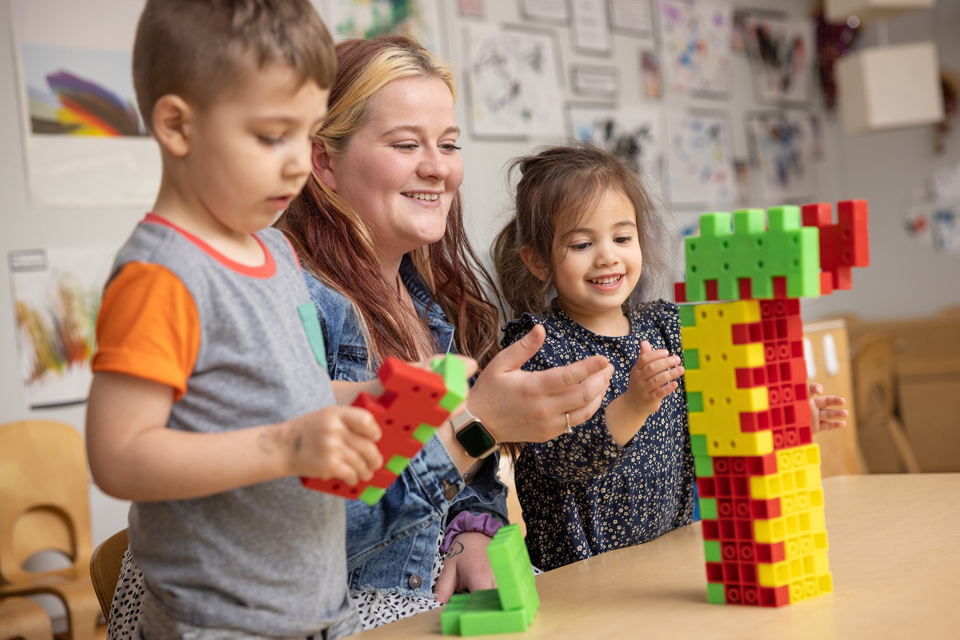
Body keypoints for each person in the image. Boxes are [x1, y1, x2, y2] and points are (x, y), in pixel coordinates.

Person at [104, 36, 615, 636]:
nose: (438, 167)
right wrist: (478, 426)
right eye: (406, 144)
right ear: (324, 162)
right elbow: (304, 531)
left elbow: (463, 482)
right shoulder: (277, 295)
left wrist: (472, 532)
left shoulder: (428, 310)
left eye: (448, 144)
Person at [85, 1, 389, 638]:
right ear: (177, 125)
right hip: (217, 624)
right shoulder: (161, 275)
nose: (299, 163)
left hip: (318, 610)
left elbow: (281, 394)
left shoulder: (276, 252)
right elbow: (118, 456)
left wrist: (367, 398)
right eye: (271, 135)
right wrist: (287, 447)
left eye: (307, 136)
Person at [492, 144, 849, 572]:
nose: (608, 256)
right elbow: (562, 459)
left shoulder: (664, 326)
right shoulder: (539, 344)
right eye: (583, 244)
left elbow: (717, 411)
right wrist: (634, 404)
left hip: (668, 552)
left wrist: (783, 418)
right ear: (537, 261)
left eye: (622, 238)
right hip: (580, 571)